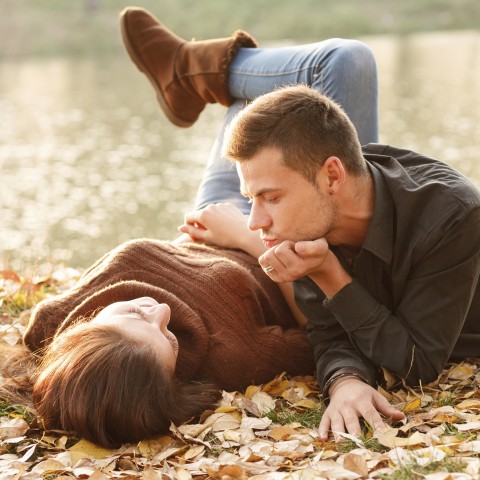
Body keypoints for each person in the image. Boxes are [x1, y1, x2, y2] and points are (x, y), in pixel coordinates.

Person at [0, 8, 381, 448]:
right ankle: (184, 70)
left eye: (136, 313)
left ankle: (188, 72)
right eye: (170, 341)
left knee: (250, 101)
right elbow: (325, 326)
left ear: (85, 328)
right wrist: (246, 237)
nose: (161, 313)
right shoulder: (232, 357)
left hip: (216, 207)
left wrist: (225, 221)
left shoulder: (52, 322)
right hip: (288, 232)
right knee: (346, 62)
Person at [120, 7, 480, 443]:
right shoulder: (310, 224)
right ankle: (206, 79)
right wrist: (345, 380)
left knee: (345, 63)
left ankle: (193, 72)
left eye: (270, 198)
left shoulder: (451, 216)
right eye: (254, 199)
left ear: (332, 176)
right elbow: (329, 331)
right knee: (321, 80)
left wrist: (329, 274)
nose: (255, 221)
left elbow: (414, 362)